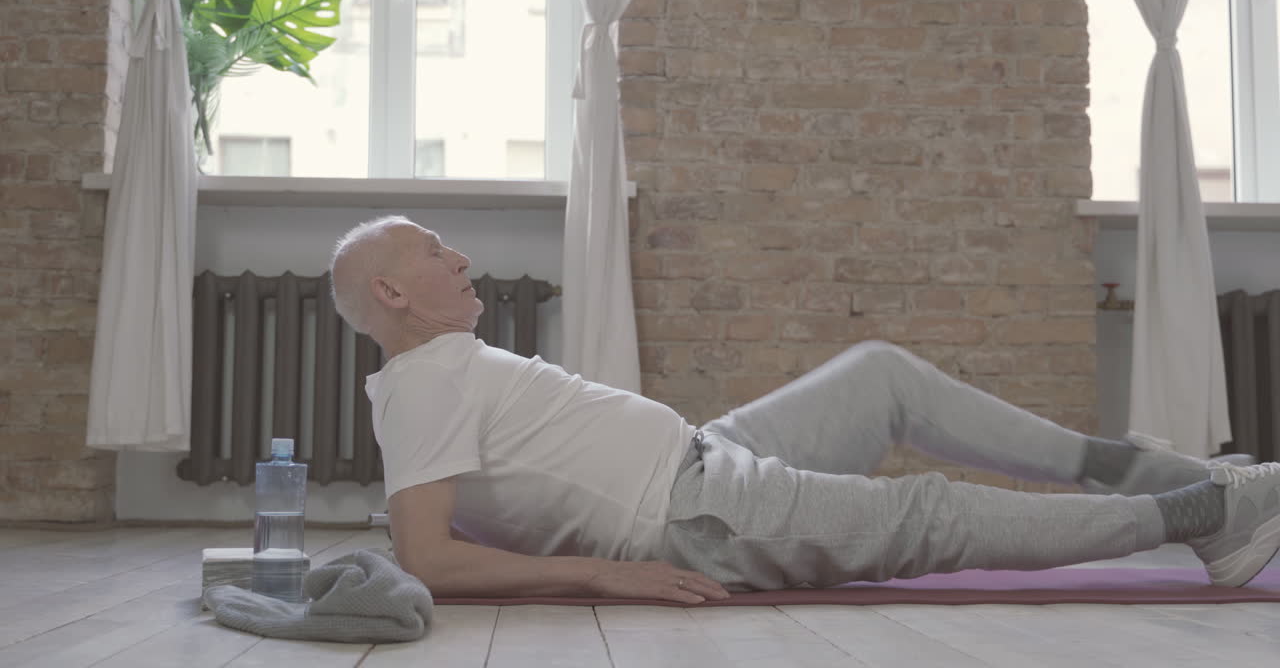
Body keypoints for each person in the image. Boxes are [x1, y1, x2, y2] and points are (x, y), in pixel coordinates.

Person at [329, 215, 1280, 603]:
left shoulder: (449, 363)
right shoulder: (422, 385)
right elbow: (426, 554)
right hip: (698, 516)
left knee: (881, 376)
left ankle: (1146, 474)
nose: (458, 258)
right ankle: (1210, 510)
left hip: (708, 457)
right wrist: (603, 576)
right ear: (392, 294)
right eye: (433, 251)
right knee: (930, 515)